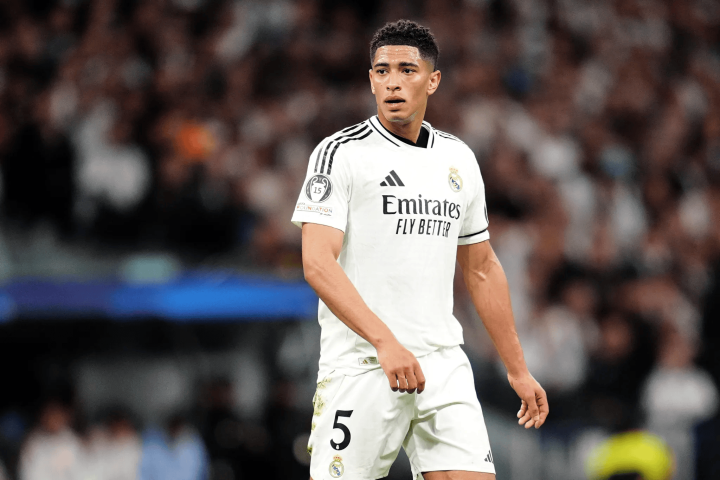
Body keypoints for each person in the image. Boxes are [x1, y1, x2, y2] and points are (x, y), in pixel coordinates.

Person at [291, 20, 548, 480]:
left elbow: (482, 268)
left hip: (442, 362)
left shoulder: (458, 158)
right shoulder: (340, 154)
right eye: (382, 70)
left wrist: (517, 369)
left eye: (407, 70)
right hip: (364, 364)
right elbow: (316, 262)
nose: (393, 81)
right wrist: (384, 341)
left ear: (433, 80)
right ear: (371, 79)